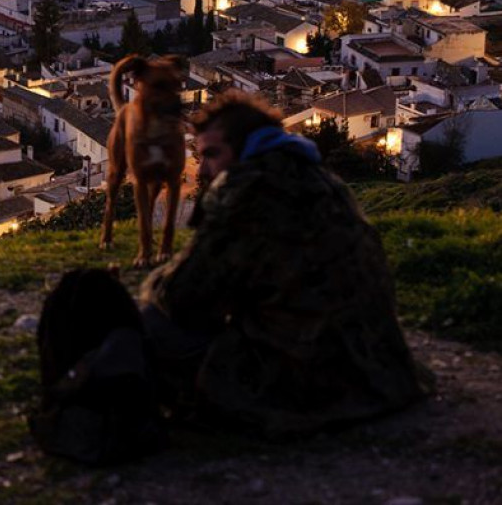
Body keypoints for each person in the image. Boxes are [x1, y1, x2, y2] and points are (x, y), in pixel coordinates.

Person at [140, 89, 430, 437]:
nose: (202, 168)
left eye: (211, 155)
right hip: (381, 374)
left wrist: (154, 286)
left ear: (244, 148)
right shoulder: (327, 184)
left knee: (152, 319)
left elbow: (183, 297)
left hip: (299, 386)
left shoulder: (246, 192)